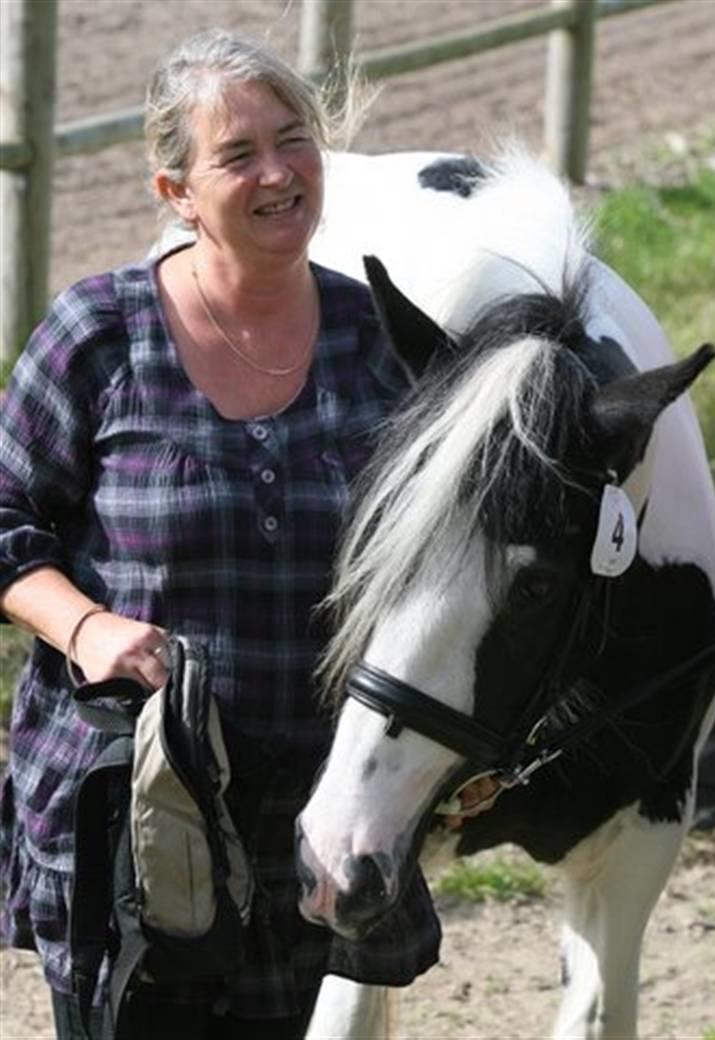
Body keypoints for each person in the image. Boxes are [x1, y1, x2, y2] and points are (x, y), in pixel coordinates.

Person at [0, 29, 440, 1040]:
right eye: (237, 155)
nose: (278, 172)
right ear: (176, 193)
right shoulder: (99, 334)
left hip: (312, 816)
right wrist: (84, 628)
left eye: (294, 140)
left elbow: (438, 558)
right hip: (139, 812)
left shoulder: (377, 336)